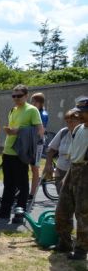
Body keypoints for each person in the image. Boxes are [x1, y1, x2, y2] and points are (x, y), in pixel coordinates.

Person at [0, 84, 44, 224]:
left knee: (22, 184)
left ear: (26, 96)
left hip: (21, 152)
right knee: (8, 183)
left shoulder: (32, 110)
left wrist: (18, 131)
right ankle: (4, 211)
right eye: (13, 96)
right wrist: (11, 131)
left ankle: (20, 213)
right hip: (8, 151)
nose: (16, 98)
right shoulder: (13, 110)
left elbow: (39, 131)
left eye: (19, 96)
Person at [55, 96, 88, 261]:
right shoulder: (78, 129)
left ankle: (81, 250)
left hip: (86, 172)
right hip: (73, 169)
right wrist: (67, 175)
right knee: (62, 209)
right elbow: (74, 154)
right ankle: (64, 242)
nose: (80, 115)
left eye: (83, 112)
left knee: (83, 213)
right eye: (78, 112)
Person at [43, 108, 81, 191]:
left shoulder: (83, 134)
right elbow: (51, 149)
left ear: (80, 121)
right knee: (61, 197)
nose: (69, 124)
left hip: (77, 172)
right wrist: (48, 164)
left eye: (72, 121)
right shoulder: (63, 132)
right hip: (61, 170)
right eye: (67, 121)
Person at [30, 92, 49, 201]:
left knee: (34, 168)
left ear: (39, 103)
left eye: (34, 101)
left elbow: (40, 131)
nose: (31, 103)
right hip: (30, 142)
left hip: (38, 143)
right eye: (31, 101)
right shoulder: (33, 112)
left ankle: (32, 194)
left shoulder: (43, 114)